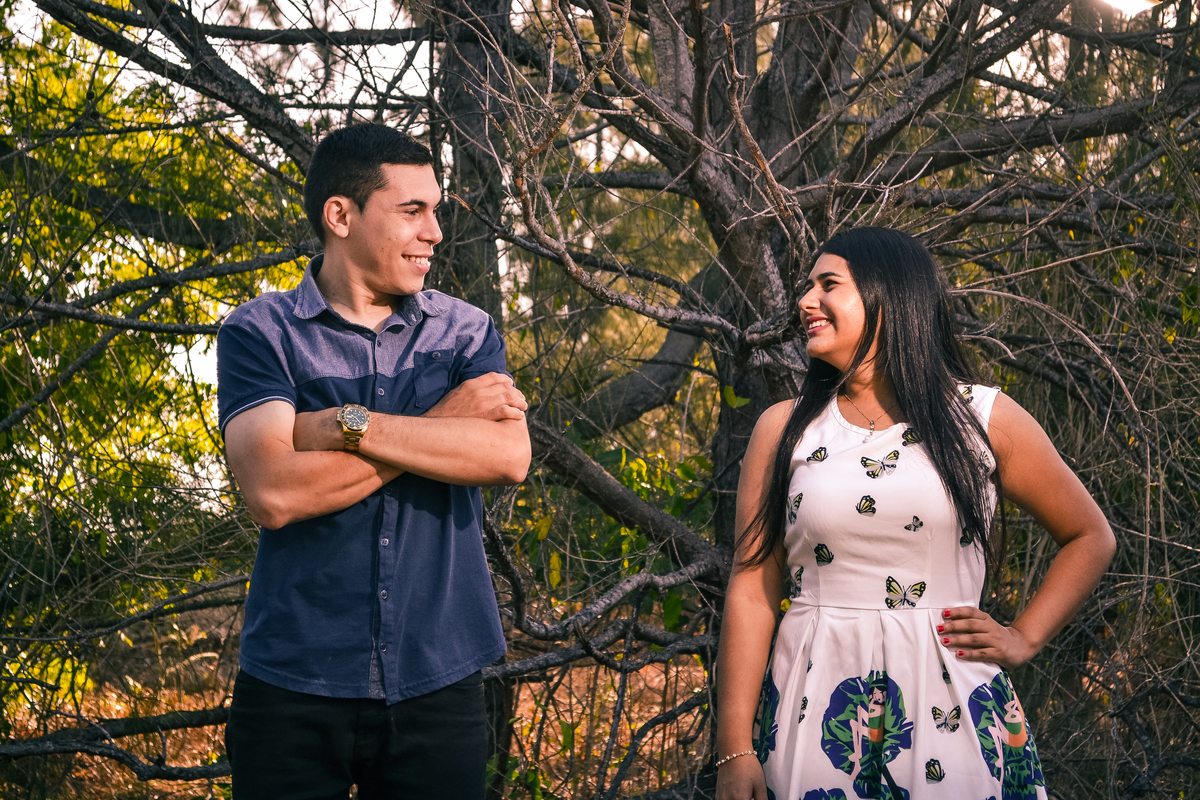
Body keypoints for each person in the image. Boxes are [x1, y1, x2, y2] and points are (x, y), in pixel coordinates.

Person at [714, 228, 1115, 800]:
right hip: (815, 708)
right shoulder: (784, 429)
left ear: (888, 295)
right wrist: (734, 747)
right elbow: (753, 590)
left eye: (828, 284)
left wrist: (1023, 637)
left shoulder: (982, 418)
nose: (805, 301)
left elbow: (1089, 535)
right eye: (807, 286)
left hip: (950, 705)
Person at [216, 123, 531, 799]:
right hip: (293, 684)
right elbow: (274, 492)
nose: (435, 232)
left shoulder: (465, 332)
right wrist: (440, 427)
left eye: (435, 210)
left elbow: (508, 455)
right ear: (341, 215)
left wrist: (340, 426)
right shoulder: (260, 333)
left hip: (438, 679)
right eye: (412, 211)